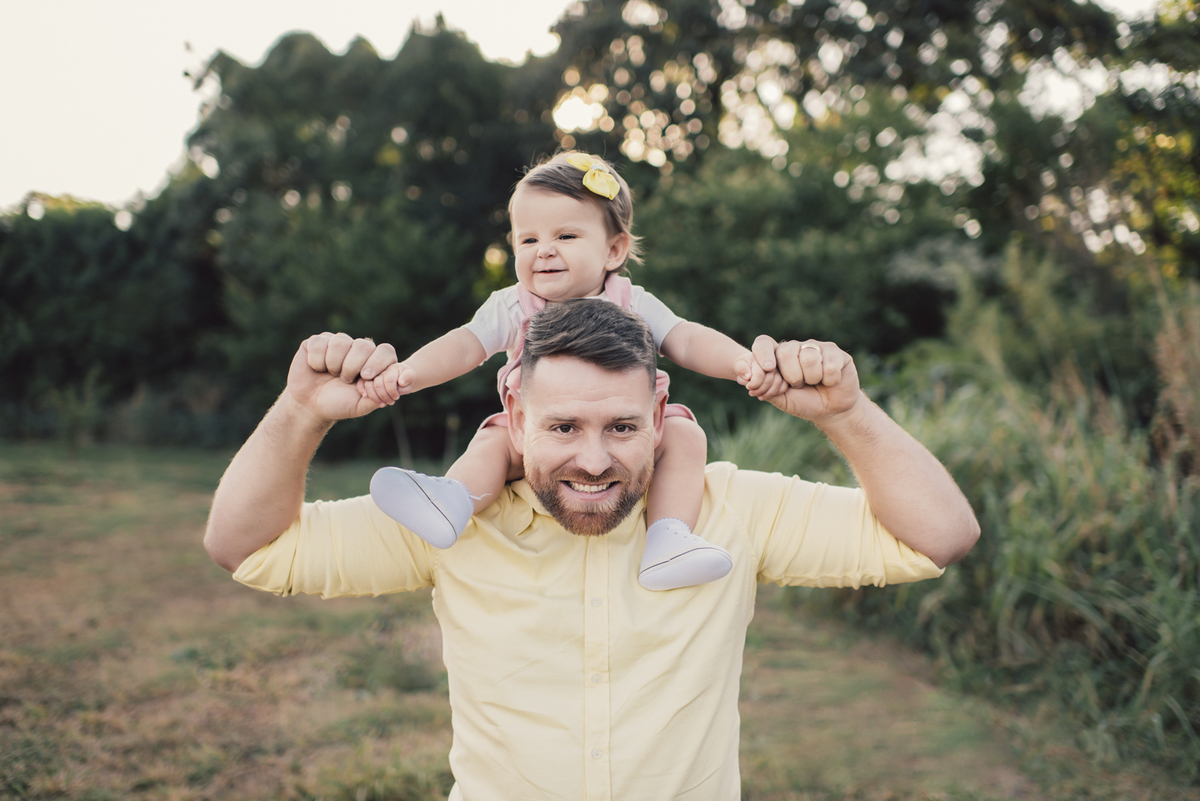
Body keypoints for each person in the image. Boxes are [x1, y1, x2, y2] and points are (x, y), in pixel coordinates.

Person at [204, 299, 980, 801]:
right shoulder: (451, 520)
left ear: (661, 409)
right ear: (511, 412)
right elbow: (246, 545)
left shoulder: (731, 509)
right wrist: (302, 410)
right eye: (563, 427)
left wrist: (846, 414)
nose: (594, 460)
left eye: (621, 427)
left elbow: (939, 534)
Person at [360, 151, 785, 591]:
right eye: (527, 241)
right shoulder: (514, 304)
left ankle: (669, 538)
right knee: (492, 441)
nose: (544, 250)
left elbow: (687, 339)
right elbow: (465, 345)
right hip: (536, 435)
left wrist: (742, 363)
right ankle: (452, 501)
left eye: (565, 235)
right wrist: (409, 373)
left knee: (685, 436)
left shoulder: (631, 300)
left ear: (614, 250)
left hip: (622, 435)